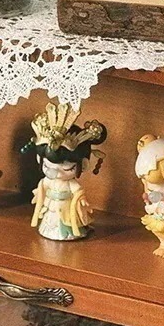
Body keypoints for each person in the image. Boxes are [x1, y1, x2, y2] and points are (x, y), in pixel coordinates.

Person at [22, 103, 106, 241]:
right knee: (50, 218)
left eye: (67, 168)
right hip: (51, 204)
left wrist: (81, 199)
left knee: (67, 221)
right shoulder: (47, 181)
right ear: (39, 159)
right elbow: (43, 186)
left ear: (83, 165)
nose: (56, 173)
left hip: (67, 207)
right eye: (47, 166)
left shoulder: (71, 184)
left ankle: (69, 233)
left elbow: (77, 191)